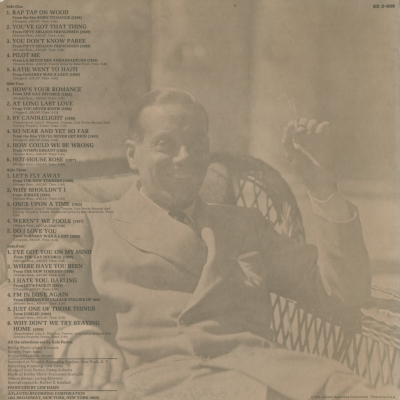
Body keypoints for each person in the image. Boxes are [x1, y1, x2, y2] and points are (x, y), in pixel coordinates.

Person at [2, 89, 392, 399]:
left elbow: (343, 292)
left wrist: (322, 185)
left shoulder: (244, 223)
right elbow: (10, 300)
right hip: (172, 384)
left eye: (195, 143)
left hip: (285, 375)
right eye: (165, 144)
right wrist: (71, 337)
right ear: (132, 155)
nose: (184, 157)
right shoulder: (92, 222)